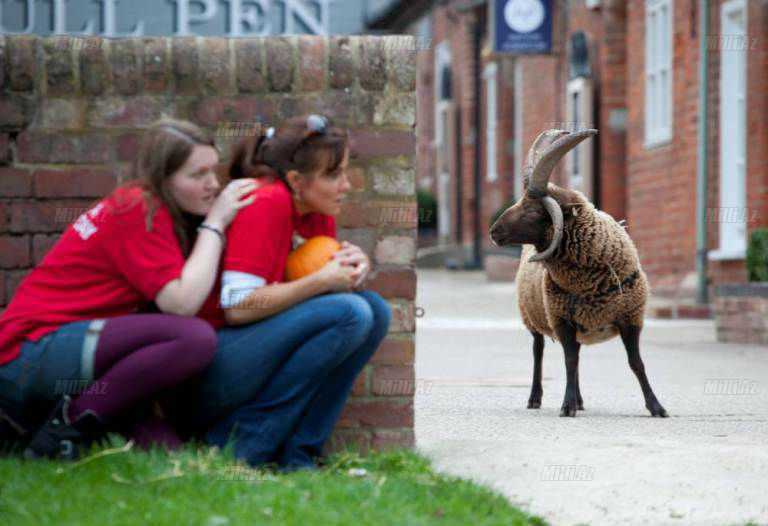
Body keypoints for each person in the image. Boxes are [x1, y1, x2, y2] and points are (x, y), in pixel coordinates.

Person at [0, 119, 256, 459]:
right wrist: (216, 223)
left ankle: (55, 428)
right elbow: (181, 304)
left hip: (64, 349)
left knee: (170, 455)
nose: (213, 185)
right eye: (197, 175)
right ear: (163, 179)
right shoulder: (138, 208)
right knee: (193, 338)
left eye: (213, 170)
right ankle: (64, 433)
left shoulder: (155, 209)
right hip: (29, 350)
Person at [190, 115, 391, 471]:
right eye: (334, 175)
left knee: (374, 310)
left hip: (255, 351)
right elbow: (236, 307)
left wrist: (350, 268)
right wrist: (322, 281)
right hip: (216, 366)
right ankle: (243, 445)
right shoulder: (267, 201)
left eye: (344, 172)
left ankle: (300, 454)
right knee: (351, 313)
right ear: (297, 180)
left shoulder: (314, 210)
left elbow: (314, 286)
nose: (346, 185)